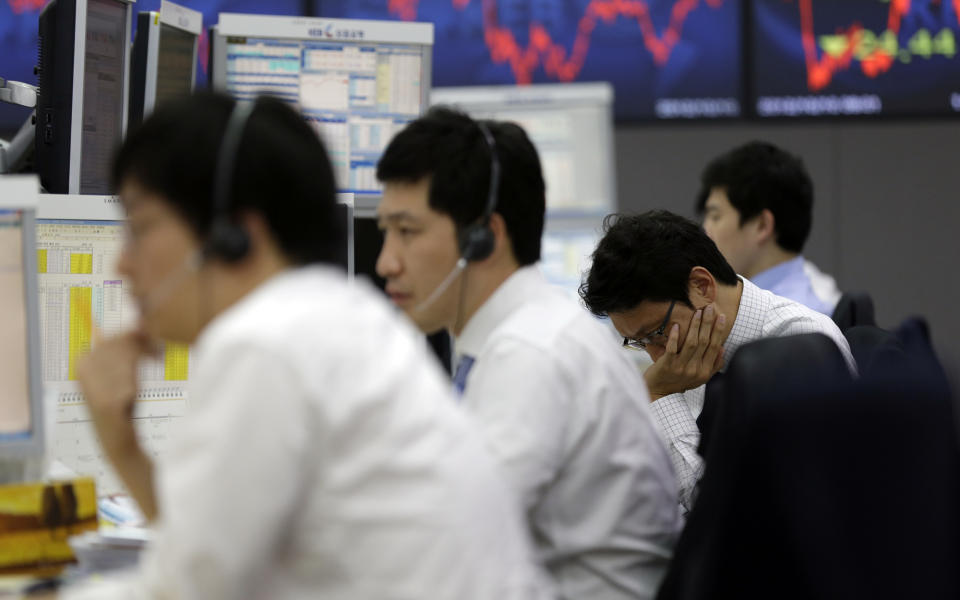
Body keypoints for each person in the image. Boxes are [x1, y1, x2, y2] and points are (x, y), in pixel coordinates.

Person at [58, 93, 551, 599]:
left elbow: (190, 589)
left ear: (234, 235)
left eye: (140, 228)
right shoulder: (338, 318)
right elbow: (211, 549)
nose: (122, 264)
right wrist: (123, 444)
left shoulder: (265, 345)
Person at [375, 107, 681, 600]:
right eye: (384, 231)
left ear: (484, 238)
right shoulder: (527, 333)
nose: (385, 261)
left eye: (407, 232)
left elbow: (450, 557)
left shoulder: (530, 355)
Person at [579, 210, 855, 515]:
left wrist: (660, 397)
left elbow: (731, 515)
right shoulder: (688, 354)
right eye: (638, 342)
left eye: (657, 332)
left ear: (702, 286)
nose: (657, 355)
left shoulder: (802, 343)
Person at [696, 141, 841, 316]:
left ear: (762, 225)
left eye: (715, 216)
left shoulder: (797, 321)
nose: (706, 231)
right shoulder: (801, 297)